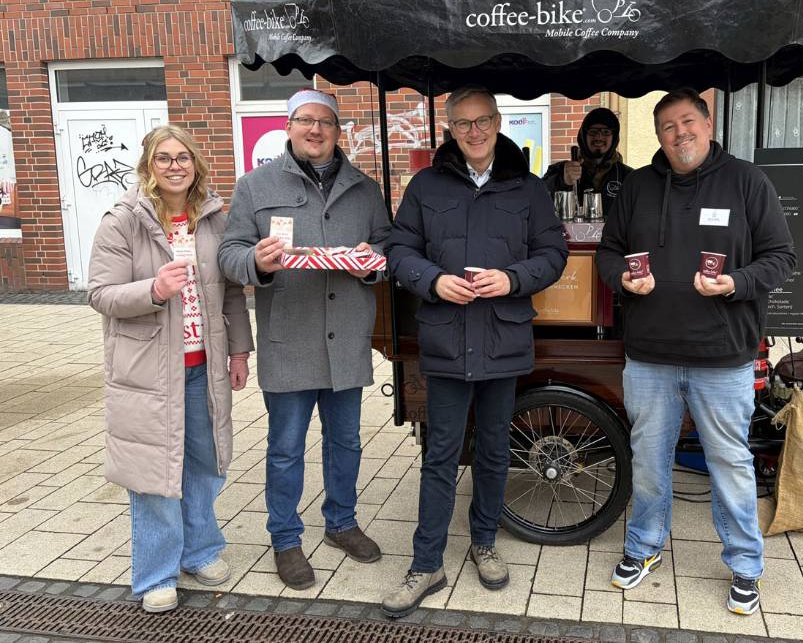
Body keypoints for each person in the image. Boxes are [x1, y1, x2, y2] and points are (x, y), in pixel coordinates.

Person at [596, 88, 796, 615]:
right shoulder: (638, 186)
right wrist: (621, 279)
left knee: (729, 462)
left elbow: (781, 257)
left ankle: (746, 566)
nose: (679, 133)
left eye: (688, 122)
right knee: (649, 460)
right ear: (657, 135)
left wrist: (735, 282)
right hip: (649, 355)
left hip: (723, 355)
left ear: (707, 125)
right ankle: (643, 548)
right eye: (667, 126)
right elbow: (608, 252)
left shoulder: (747, 181)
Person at [383, 85, 568, 618]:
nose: (475, 132)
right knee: (440, 454)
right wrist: (432, 281)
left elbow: (553, 253)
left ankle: (484, 543)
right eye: (462, 124)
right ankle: (426, 563)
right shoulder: (425, 184)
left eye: (483, 120)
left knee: (492, 451)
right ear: (450, 129)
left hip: (502, 338)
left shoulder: (527, 188)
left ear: (498, 121)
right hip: (444, 339)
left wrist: (512, 279)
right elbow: (400, 248)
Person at [218, 89, 391, 590]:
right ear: (289, 127)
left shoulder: (364, 188)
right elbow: (229, 253)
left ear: (339, 132)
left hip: (346, 340)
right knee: (286, 448)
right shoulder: (256, 185)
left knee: (347, 442)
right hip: (287, 338)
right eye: (304, 121)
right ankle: (286, 538)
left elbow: (389, 245)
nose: (315, 130)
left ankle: (340, 522)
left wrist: (371, 261)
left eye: (326, 123)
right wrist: (257, 263)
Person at [88, 125, 254, 613]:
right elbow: (100, 294)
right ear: (148, 165)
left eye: (183, 157)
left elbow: (230, 294)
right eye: (164, 158)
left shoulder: (212, 219)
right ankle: (157, 573)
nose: (175, 165)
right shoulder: (124, 221)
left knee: (205, 465)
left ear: (196, 164)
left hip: (204, 366)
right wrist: (153, 290)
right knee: (155, 473)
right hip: (147, 372)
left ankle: (200, 551)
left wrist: (239, 352)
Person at [542, 107, 633, 213]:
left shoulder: (628, 176)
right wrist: (562, 181)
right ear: (583, 136)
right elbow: (537, 198)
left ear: (614, 138)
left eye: (606, 132)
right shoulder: (558, 170)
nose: (599, 136)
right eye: (593, 131)